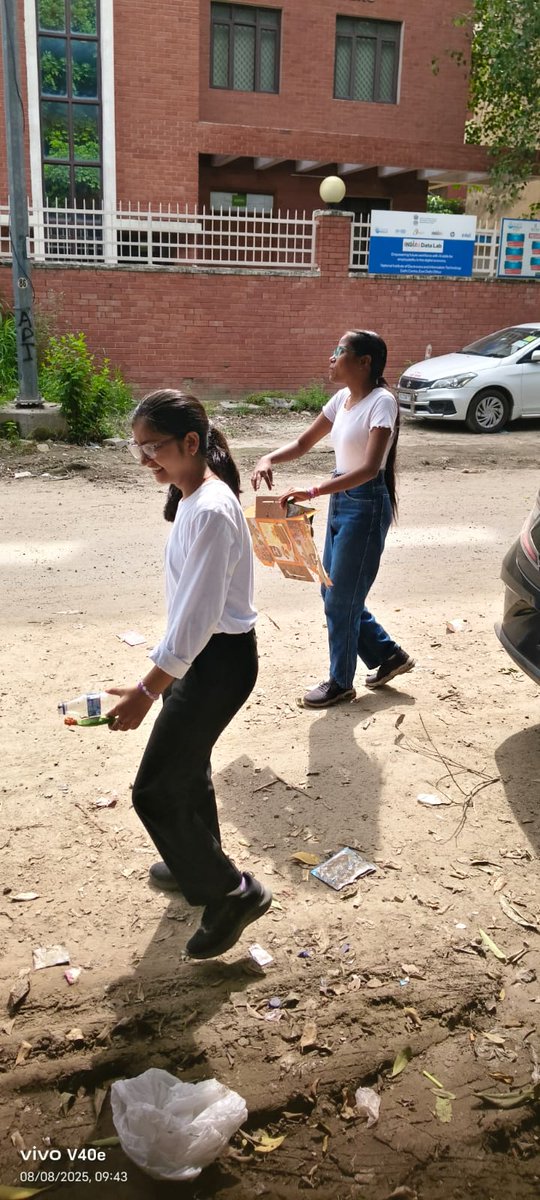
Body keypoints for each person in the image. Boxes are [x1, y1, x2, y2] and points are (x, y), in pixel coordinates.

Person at [107, 390, 272, 958]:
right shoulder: (194, 497)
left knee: (154, 790)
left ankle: (232, 892)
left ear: (191, 443)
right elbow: (189, 609)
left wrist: (149, 689)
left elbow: (199, 617)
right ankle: (196, 860)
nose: (145, 460)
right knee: (189, 767)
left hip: (218, 662)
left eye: (153, 448)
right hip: (206, 657)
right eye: (140, 450)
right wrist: (163, 672)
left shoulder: (211, 509)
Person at [251, 330, 414, 708]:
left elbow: (371, 468)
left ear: (364, 362)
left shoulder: (382, 403)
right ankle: (389, 656)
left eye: (339, 352)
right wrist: (269, 458)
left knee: (340, 600)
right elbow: (304, 443)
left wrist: (312, 492)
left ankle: (341, 682)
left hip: (366, 505)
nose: (331, 358)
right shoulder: (342, 398)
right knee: (332, 590)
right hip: (342, 499)